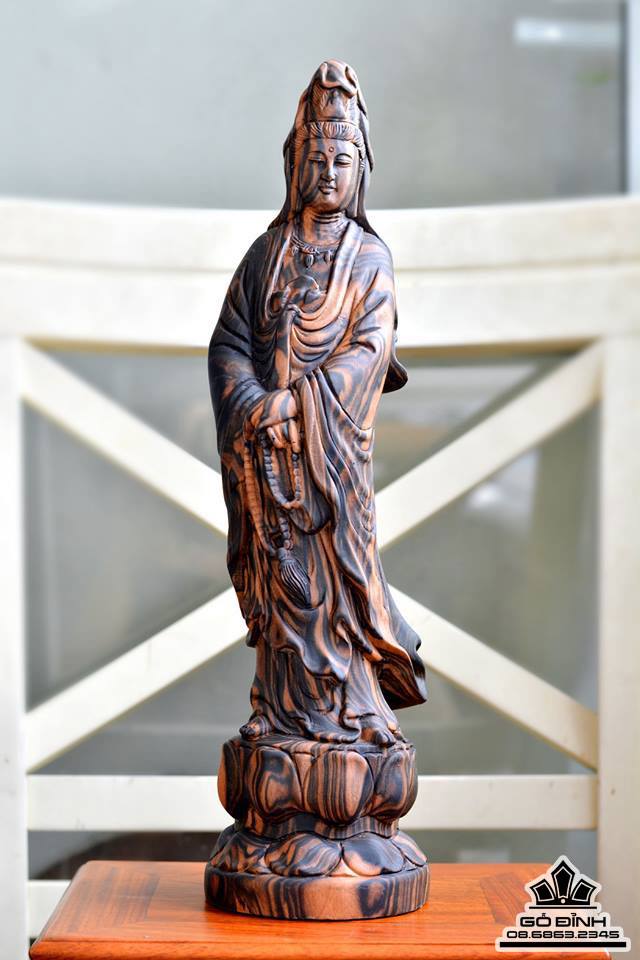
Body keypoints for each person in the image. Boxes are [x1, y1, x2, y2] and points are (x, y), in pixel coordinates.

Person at [208, 59, 426, 748]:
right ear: (293, 164)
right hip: (267, 463)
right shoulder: (266, 254)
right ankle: (278, 711)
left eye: (342, 159)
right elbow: (228, 342)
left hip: (329, 468)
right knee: (279, 586)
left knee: (334, 591)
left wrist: (297, 406)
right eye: (316, 158)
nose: (328, 172)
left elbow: (368, 351)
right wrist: (252, 406)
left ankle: (353, 711)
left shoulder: (369, 260)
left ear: (362, 169)